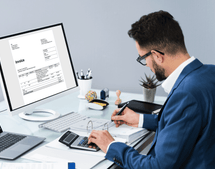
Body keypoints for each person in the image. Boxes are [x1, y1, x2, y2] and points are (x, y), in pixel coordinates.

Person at [88, 10, 215, 168]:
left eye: (143, 58)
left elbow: (157, 166)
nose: (146, 64)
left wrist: (111, 146)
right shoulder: (210, 73)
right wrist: (140, 120)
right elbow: (185, 122)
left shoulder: (186, 94)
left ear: (157, 56)